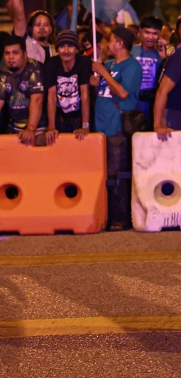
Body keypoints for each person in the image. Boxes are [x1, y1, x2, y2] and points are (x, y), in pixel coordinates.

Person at [91, 26, 144, 230]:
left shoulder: (132, 66)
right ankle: (104, 214)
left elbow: (123, 94)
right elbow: (103, 92)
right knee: (102, 173)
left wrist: (103, 72)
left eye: (110, 40)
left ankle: (120, 217)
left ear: (120, 43)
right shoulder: (110, 63)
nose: (107, 44)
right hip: (100, 128)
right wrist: (95, 81)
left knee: (116, 173)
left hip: (117, 129)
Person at [43, 30, 92, 142]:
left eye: (70, 46)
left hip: (79, 120)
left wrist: (85, 126)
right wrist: (51, 127)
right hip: (59, 120)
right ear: (57, 49)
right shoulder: (51, 64)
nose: (66, 51)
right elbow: (51, 97)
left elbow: (85, 95)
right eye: (61, 46)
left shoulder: (83, 62)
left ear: (76, 49)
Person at [0, 35, 46, 145]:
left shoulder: (34, 68)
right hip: (14, 128)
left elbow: (37, 100)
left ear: (25, 54)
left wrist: (31, 129)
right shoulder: (3, 73)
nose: (10, 57)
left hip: (38, 129)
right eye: (7, 53)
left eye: (15, 53)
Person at [132, 15, 166, 121]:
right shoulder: (131, 51)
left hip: (153, 104)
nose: (150, 37)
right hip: (133, 103)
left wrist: (164, 58)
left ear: (160, 34)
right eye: (147, 32)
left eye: (155, 33)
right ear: (140, 31)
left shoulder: (163, 55)